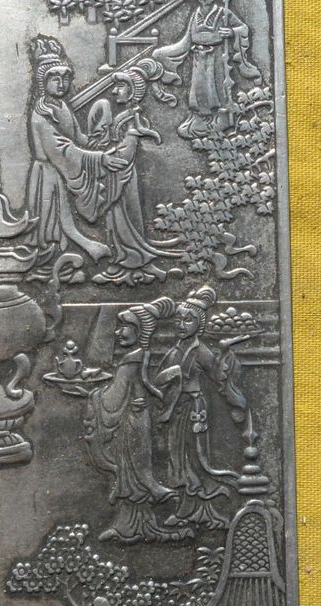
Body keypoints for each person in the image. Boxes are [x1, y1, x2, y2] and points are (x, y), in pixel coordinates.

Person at [84, 299, 191, 543]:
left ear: (140, 331)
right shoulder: (140, 355)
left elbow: (113, 399)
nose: (118, 332)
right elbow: (145, 385)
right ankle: (134, 525)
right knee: (132, 473)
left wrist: (94, 395)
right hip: (137, 420)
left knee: (132, 474)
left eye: (124, 327)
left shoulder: (130, 361)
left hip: (132, 423)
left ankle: (134, 527)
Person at [154, 287, 249, 528]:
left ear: (200, 324)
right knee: (177, 456)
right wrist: (171, 376)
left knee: (194, 457)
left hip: (194, 409)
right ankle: (185, 507)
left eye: (188, 320)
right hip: (176, 408)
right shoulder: (175, 350)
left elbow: (218, 376)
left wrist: (225, 353)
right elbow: (159, 379)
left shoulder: (201, 351)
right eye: (179, 319)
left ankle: (197, 509)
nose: (182, 324)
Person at [24, 36, 124, 263]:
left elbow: (77, 138)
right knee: (54, 225)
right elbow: (63, 150)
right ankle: (53, 261)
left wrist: (97, 141)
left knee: (64, 220)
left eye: (65, 78)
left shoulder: (61, 106)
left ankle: (74, 255)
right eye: (54, 79)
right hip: (49, 174)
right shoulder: (41, 114)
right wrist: (100, 159)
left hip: (60, 169)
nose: (61, 84)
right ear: (43, 82)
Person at [85, 70, 184, 284]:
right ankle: (121, 260)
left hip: (123, 177)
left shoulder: (132, 118)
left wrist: (104, 157)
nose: (115, 91)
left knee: (125, 219)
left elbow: (127, 153)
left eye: (120, 86)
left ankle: (131, 262)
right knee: (115, 221)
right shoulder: (124, 116)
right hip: (118, 176)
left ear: (132, 92)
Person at [151, 0, 260, 139]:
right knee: (198, 89)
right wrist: (162, 54)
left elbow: (243, 28)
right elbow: (187, 41)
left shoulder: (223, 13)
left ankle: (221, 119)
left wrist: (231, 32)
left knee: (216, 88)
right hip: (198, 59)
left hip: (216, 58)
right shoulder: (196, 14)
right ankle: (200, 119)